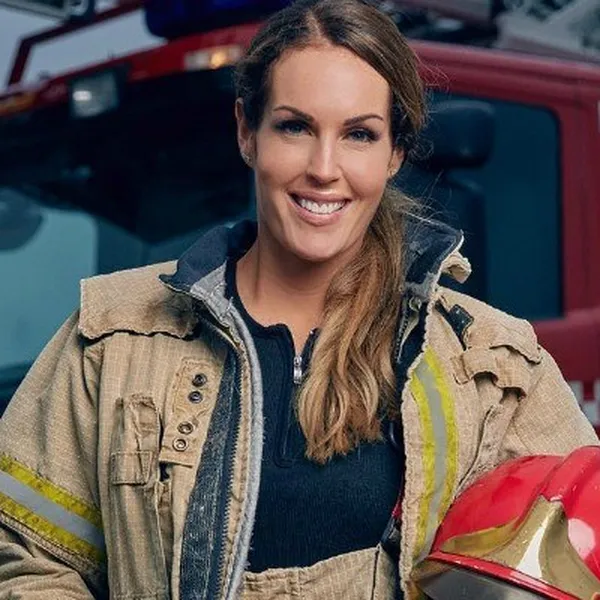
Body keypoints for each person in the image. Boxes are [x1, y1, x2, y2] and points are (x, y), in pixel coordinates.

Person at [0, 0, 597, 598]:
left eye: (359, 134)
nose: (323, 168)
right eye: (295, 127)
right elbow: (25, 558)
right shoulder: (110, 338)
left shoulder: (495, 368)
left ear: (394, 153)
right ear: (246, 131)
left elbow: (582, 556)